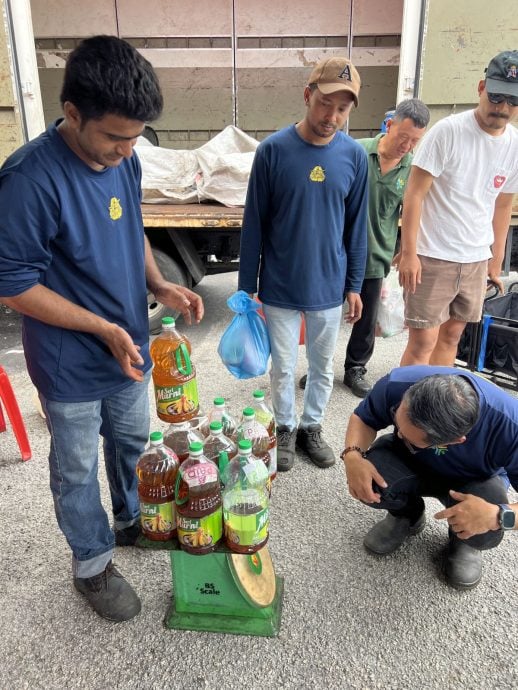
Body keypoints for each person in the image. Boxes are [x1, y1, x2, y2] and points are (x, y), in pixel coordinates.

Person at [0, 36, 203, 622]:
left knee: (134, 444)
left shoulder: (126, 158)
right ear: (72, 114)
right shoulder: (28, 180)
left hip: (128, 348)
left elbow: (132, 224)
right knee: (75, 467)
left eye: (135, 137)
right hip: (71, 361)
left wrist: (158, 284)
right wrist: (103, 328)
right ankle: (91, 564)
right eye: (115, 136)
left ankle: (132, 519)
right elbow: (13, 283)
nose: (125, 150)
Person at [238, 57, 368, 473]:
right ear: (308, 94)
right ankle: (286, 428)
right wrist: (247, 287)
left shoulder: (353, 157)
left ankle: (312, 427)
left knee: (322, 366)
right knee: (282, 367)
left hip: (328, 287)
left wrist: (354, 285)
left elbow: (356, 228)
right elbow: (253, 223)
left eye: (343, 108)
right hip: (279, 285)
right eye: (326, 103)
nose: (332, 116)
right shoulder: (273, 150)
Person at [341, 366, 518, 589]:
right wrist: (353, 456)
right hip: (408, 461)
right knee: (370, 481)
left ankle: (464, 540)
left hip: (475, 478)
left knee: (489, 526)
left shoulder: (511, 426)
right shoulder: (398, 384)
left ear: (455, 441)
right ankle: (407, 515)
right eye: (399, 426)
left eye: (408, 437)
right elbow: (363, 417)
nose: (398, 433)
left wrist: (499, 515)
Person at [300, 98, 430, 397]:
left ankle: (355, 369)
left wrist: (408, 250)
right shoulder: (353, 150)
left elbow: (413, 214)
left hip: (375, 256)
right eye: (403, 137)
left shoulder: (413, 170)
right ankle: (318, 368)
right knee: (325, 315)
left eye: (415, 141)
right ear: (389, 125)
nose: (406, 146)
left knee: (365, 319)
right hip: (335, 253)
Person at [398, 50, 518, 367]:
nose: (503, 109)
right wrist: (409, 253)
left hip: (475, 257)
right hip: (433, 254)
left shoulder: (514, 144)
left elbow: (503, 204)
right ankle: (402, 411)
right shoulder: (448, 131)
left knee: (452, 336)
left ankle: (434, 413)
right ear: (481, 87)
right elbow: (414, 194)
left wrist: (494, 260)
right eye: (496, 97)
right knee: (423, 341)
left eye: (512, 102)